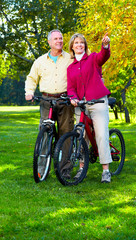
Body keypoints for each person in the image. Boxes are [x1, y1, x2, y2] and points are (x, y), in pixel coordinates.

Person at [25, 29, 74, 176]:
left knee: (65, 135)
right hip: (46, 101)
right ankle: (41, 170)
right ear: (49, 42)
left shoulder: (70, 58)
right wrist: (29, 92)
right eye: (56, 39)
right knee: (45, 134)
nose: (59, 41)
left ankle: (64, 170)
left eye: (61, 38)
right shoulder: (40, 61)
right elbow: (32, 78)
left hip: (65, 100)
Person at [67, 32, 112, 183]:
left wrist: (105, 46)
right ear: (72, 47)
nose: (79, 45)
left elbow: (103, 57)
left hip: (97, 101)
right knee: (81, 135)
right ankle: (81, 169)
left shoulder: (92, 58)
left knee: (100, 134)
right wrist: (73, 98)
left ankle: (106, 170)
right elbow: (71, 88)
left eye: (81, 43)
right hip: (81, 104)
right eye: (76, 43)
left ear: (84, 45)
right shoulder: (70, 68)